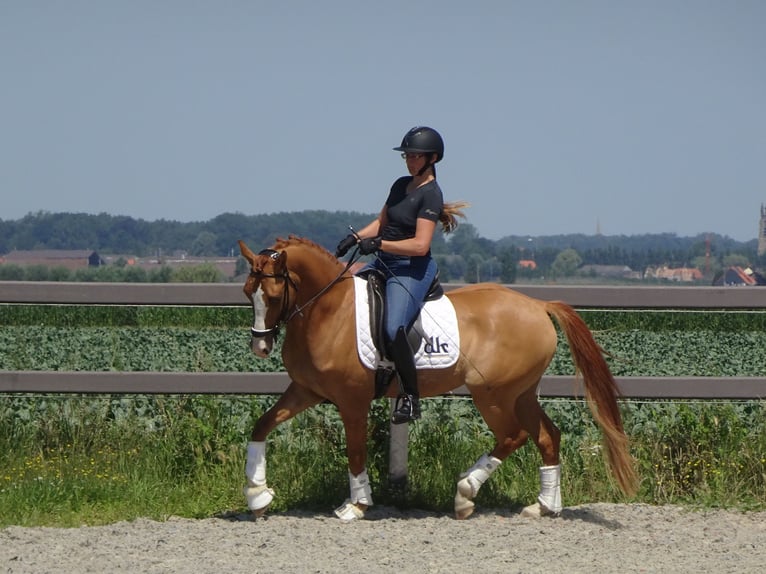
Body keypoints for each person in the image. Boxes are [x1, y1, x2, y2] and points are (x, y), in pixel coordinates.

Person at [335, 126, 467, 424]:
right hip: (383, 263)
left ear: (432, 158)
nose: (409, 161)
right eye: (407, 155)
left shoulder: (431, 195)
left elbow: (420, 246)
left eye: (415, 156)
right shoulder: (400, 185)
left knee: (394, 327)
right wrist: (355, 239)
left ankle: (410, 397)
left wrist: (379, 244)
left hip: (411, 270)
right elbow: (382, 222)